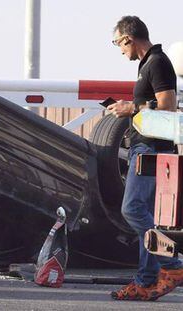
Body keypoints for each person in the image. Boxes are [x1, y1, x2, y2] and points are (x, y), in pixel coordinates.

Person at [109, 15, 183, 301]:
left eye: (118, 43)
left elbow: (167, 105)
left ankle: (172, 264)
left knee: (132, 210)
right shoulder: (149, 64)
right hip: (147, 146)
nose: (119, 49)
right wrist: (132, 108)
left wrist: (131, 108)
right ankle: (146, 279)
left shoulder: (157, 62)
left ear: (129, 38)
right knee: (146, 215)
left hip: (151, 148)